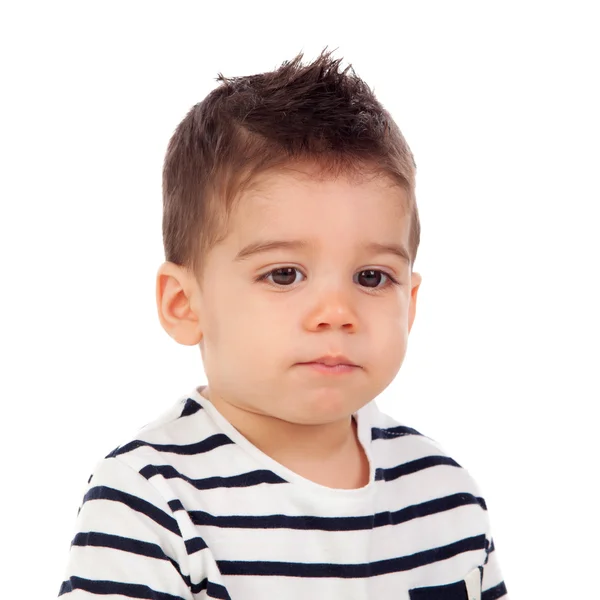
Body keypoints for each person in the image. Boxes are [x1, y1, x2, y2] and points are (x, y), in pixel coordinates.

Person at [57, 49, 508, 600]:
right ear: (184, 304)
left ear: (410, 303)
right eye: (284, 274)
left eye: (371, 277)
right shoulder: (151, 498)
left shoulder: (445, 497)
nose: (336, 313)